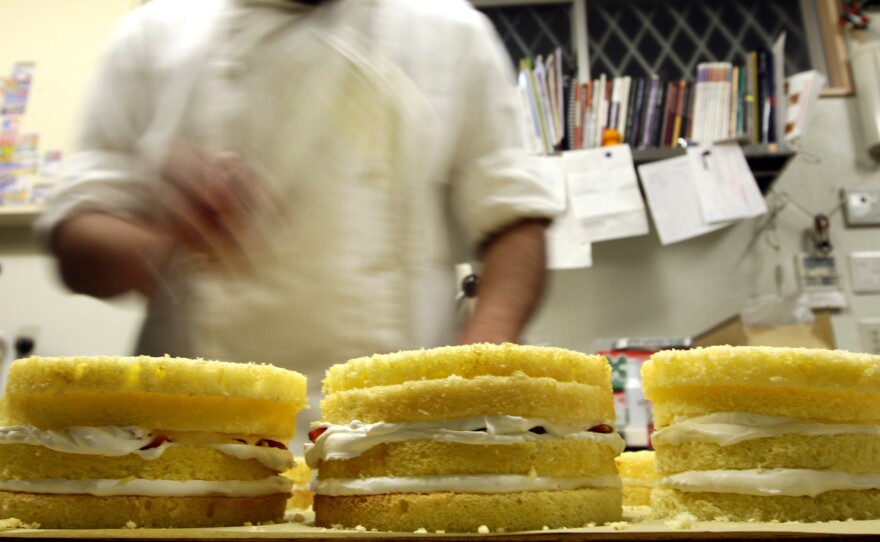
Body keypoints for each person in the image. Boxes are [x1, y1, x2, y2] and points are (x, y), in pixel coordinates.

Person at [36, 0, 564, 446]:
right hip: (188, 448)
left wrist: (475, 371)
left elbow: (514, 218)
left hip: (399, 440)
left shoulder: (449, 32)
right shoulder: (154, 36)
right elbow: (77, 244)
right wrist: (162, 237)